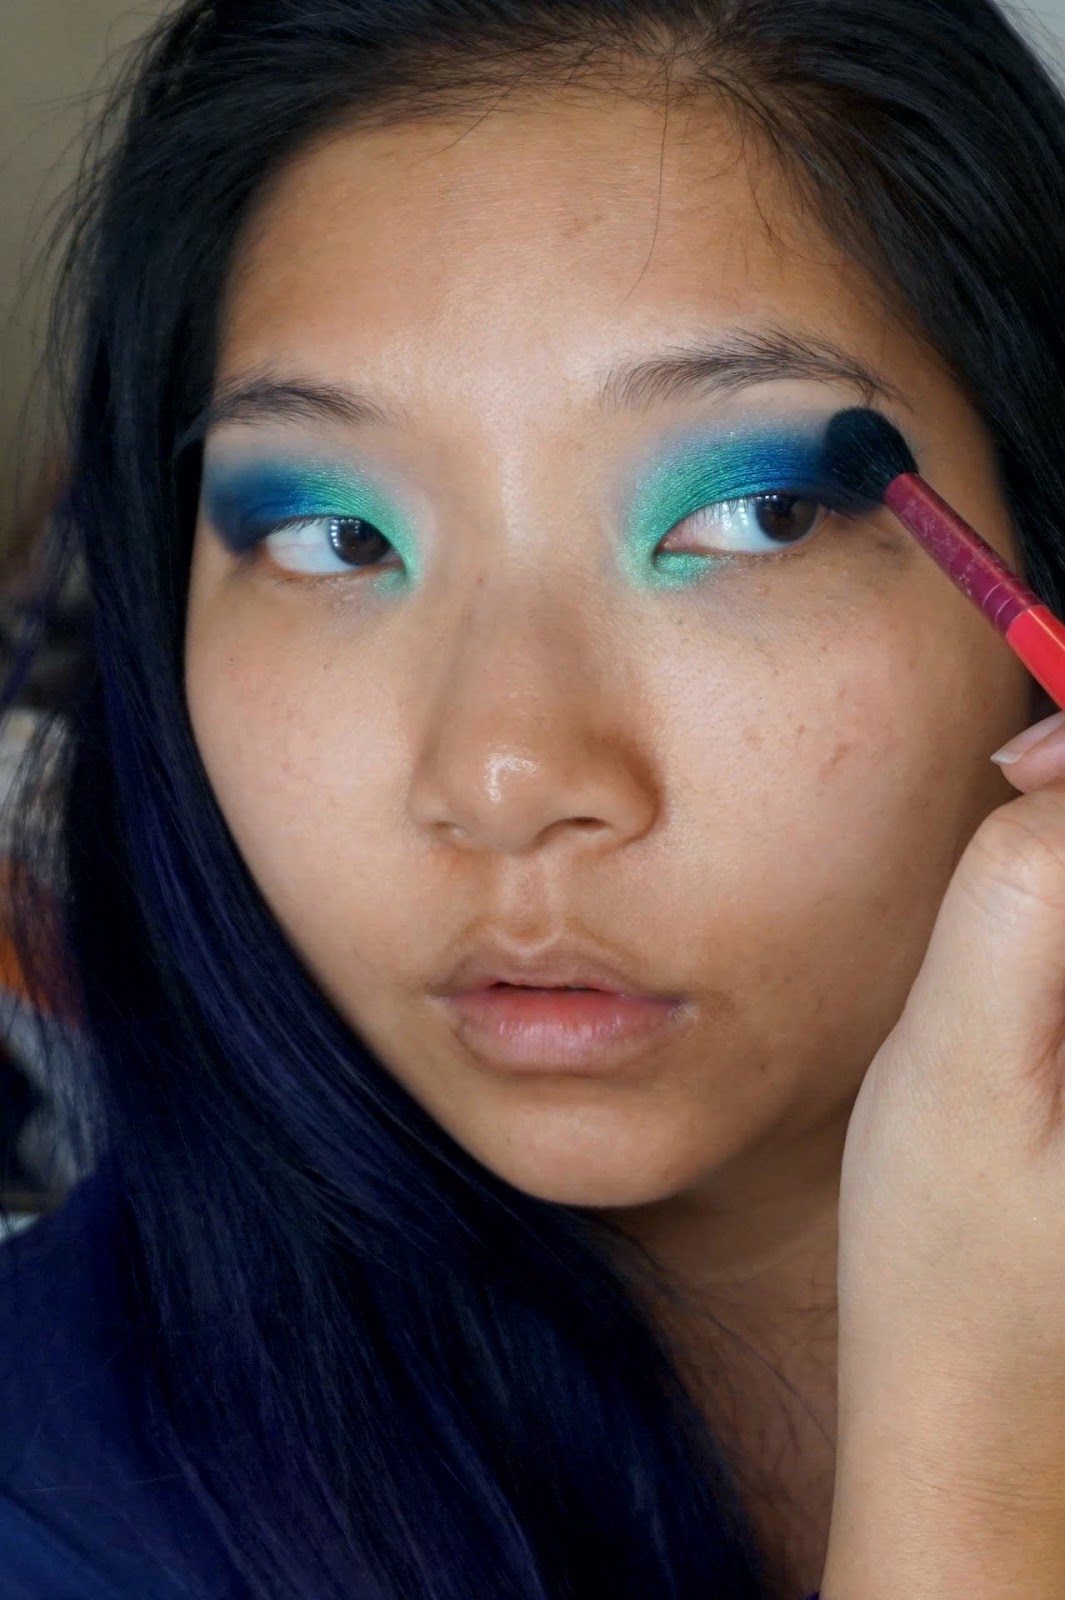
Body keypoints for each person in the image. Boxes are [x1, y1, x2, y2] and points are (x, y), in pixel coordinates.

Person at [4, 0, 1065, 1595]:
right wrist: (971, 1481)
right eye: (335, 537)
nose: (504, 778)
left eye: (756, 515)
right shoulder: (53, 1489)